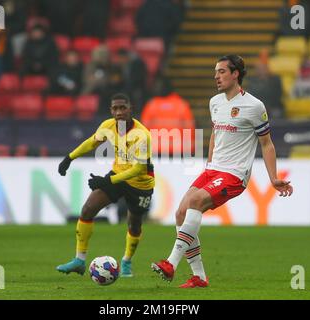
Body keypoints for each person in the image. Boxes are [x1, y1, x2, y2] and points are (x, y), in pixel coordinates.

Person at [151, 55, 294, 288]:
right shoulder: (215, 102)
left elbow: (266, 143)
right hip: (213, 169)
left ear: (235, 73)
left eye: (221, 72)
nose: (216, 76)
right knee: (180, 213)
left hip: (234, 174)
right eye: (215, 72)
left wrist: (274, 178)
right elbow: (216, 134)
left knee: (195, 202)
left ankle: (170, 263)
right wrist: (209, 164)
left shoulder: (255, 106)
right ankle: (199, 277)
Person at [56, 93, 155, 277]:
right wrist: (69, 158)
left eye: (122, 108)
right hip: (118, 174)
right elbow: (91, 142)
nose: (118, 112)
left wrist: (106, 181)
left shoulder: (142, 135)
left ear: (130, 109)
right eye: (115, 109)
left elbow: (138, 169)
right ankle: (79, 260)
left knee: (134, 225)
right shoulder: (108, 126)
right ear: (111, 110)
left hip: (140, 183)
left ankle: (126, 260)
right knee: (87, 210)